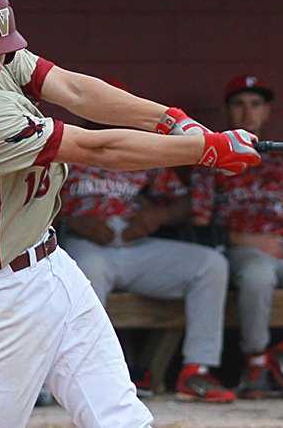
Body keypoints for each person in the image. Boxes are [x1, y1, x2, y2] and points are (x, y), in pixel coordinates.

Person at [0, 0, 260, 427]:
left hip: (52, 266)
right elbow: (98, 149)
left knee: (120, 418)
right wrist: (204, 149)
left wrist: (170, 119)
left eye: (1, 51)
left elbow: (75, 90)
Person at [190, 74, 283, 399]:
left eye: (255, 105)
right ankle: (256, 360)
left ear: (267, 112)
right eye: (239, 105)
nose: (247, 113)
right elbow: (200, 224)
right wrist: (248, 241)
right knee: (259, 273)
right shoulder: (212, 159)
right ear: (227, 111)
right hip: (241, 252)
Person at [59, 160, 236, 403]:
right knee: (85, 274)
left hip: (135, 243)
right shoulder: (70, 148)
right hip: (86, 245)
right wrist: (70, 220)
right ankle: (92, 377)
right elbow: (32, 196)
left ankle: (197, 371)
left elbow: (184, 201)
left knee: (211, 265)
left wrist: (157, 216)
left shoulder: (139, 148)